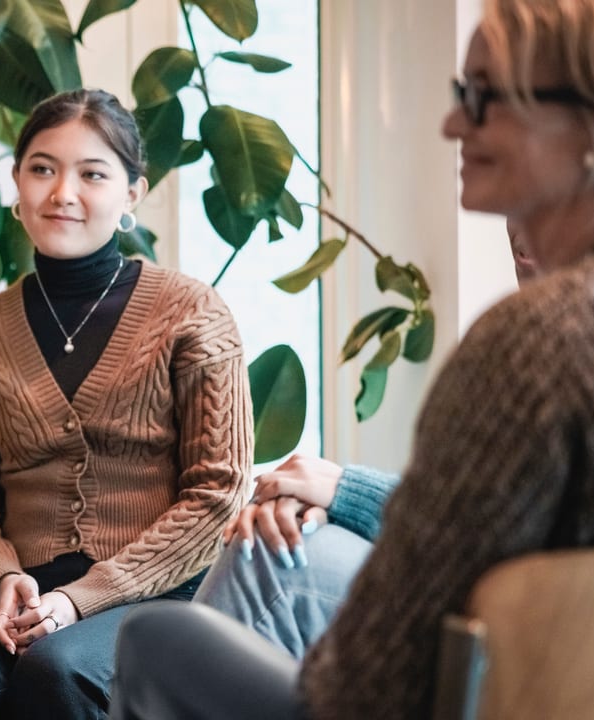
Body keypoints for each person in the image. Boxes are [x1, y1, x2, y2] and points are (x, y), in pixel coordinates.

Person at [112, 0, 594, 717]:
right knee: (280, 550)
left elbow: (373, 671)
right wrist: (342, 492)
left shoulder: (537, 341)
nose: (452, 125)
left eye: (485, 99)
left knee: (162, 634)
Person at [0, 88, 254, 720]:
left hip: (157, 595)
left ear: (131, 194)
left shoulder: (193, 313)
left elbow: (217, 493)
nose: (63, 193)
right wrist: (5, 579)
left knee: (63, 670)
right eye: (43, 169)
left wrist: (82, 599)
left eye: (93, 173)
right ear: (17, 184)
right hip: (21, 596)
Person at [194, 227, 544, 659]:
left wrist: (347, 493)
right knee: (276, 541)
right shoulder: (532, 340)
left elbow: (511, 531)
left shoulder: (578, 350)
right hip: (497, 594)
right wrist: (324, 509)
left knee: (267, 565)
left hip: (544, 624)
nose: (516, 237)